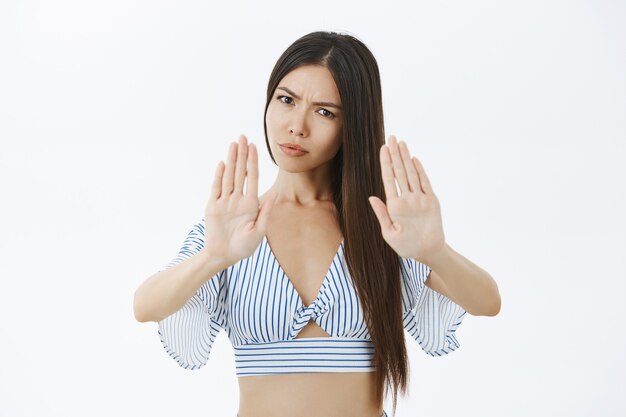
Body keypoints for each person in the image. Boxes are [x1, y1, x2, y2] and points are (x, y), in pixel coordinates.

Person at [133, 30, 501, 417]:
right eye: (287, 100)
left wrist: (434, 252)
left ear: (352, 125)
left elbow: (487, 301)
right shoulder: (235, 227)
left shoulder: (382, 228)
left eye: (325, 112)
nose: (297, 126)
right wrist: (212, 258)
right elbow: (145, 306)